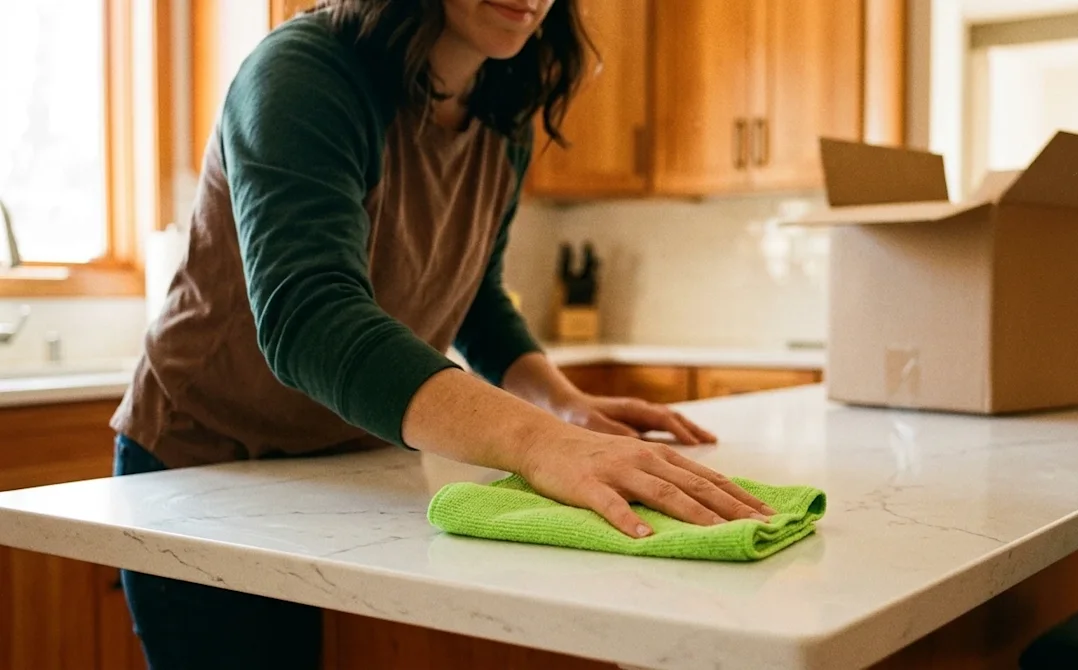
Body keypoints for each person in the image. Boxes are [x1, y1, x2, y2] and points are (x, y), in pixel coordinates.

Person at [109, 0, 775, 667]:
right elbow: (306, 316)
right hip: (205, 466)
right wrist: (542, 444)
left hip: (349, 464)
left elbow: (473, 292)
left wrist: (560, 403)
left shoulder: (502, 106)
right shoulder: (303, 72)